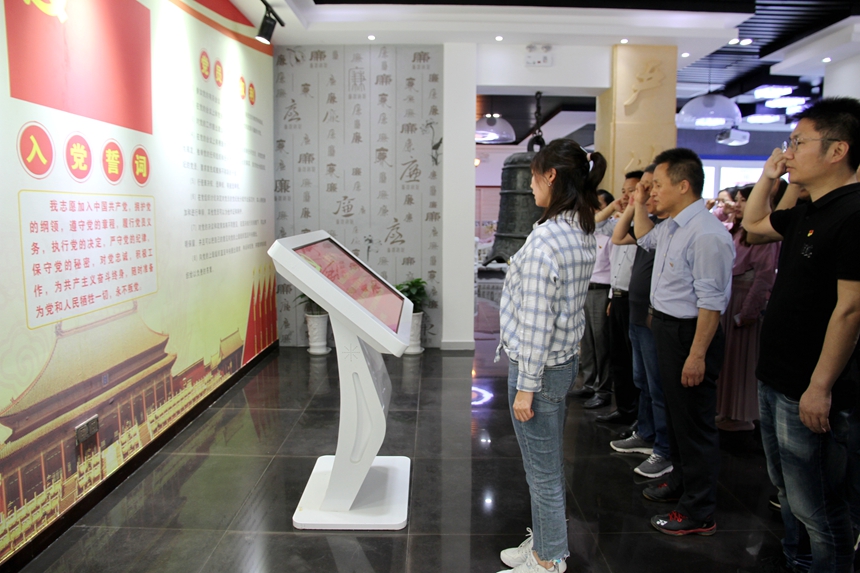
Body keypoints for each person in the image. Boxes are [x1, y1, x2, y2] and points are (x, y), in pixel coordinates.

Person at [740, 97, 860, 573]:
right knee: (788, 489)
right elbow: (752, 226)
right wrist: (772, 177)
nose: (788, 151)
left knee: (819, 506)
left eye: (798, 142)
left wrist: (820, 386)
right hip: (777, 376)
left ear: (837, 150)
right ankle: (798, 561)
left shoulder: (852, 214)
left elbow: (850, 310)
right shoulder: (810, 208)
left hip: (809, 386)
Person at [496, 139, 604, 573]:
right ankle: (546, 540)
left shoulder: (545, 240)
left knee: (541, 469)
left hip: (537, 369)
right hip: (562, 362)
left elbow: (538, 320)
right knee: (547, 463)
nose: (530, 185)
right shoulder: (581, 228)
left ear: (552, 176)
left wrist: (526, 388)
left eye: (534, 177)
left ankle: (548, 559)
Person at [633, 147, 734, 536]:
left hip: (690, 335)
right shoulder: (672, 226)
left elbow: (711, 303)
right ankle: (679, 481)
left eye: (658, 184)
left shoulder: (707, 234)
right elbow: (641, 237)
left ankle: (699, 510)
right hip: (667, 330)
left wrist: (697, 355)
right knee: (676, 420)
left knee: (694, 425)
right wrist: (640, 201)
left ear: (684, 185)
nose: (653, 190)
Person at [604, 165, 673, 478]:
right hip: (635, 311)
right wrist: (636, 204)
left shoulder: (667, 227)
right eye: (643, 187)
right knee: (642, 380)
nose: (646, 192)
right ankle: (645, 433)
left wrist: (638, 202)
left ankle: (663, 448)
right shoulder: (652, 226)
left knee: (657, 386)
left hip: (652, 315)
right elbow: (618, 236)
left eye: (651, 186)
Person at [715, 185, 779, 432]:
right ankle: (728, 410)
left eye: (743, 201)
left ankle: (741, 415)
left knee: (742, 360)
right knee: (728, 359)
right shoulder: (738, 229)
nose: (738, 204)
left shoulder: (763, 235)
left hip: (745, 298)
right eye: (738, 200)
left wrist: (749, 311)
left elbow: (764, 277)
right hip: (731, 295)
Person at [591, 171, 642, 424]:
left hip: (636, 298)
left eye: (632, 191)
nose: (626, 195)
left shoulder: (646, 225)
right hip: (618, 294)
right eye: (623, 191)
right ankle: (623, 409)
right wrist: (614, 207)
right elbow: (594, 225)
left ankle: (636, 416)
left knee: (634, 361)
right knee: (619, 357)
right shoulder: (618, 222)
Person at [569, 190, 614, 408]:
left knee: (600, 342)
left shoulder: (611, 234)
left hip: (600, 291)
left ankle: (602, 389)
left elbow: (616, 269)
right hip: (584, 290)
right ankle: (587, 383)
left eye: (598, 206)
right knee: (586, 340)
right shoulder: (585, 233)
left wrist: (611, 297)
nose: (593, 210)